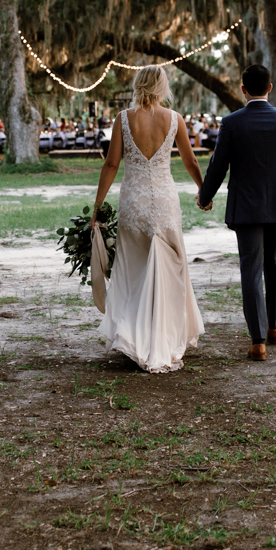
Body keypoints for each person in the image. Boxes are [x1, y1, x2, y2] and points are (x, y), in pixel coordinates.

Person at [89, 66, 206, 374]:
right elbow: (190, 160)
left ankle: (133, 336)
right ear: (163, 86)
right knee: (171, 267)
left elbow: (112, 163)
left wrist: (97, 205)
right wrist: (203, 191)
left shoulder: (123, 119)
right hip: (165, 202)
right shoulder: (174, 119)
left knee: (134, 269)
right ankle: (164, 336)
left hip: (134, 202)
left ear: (138, 84)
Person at [195, 64, 276, 362]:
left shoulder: (232, 122)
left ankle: (258, 340)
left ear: (243, 89)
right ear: (270, 87)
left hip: (246, 206)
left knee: (251, 268)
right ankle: (275, 326)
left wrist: (205, 196)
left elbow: (218, 165)